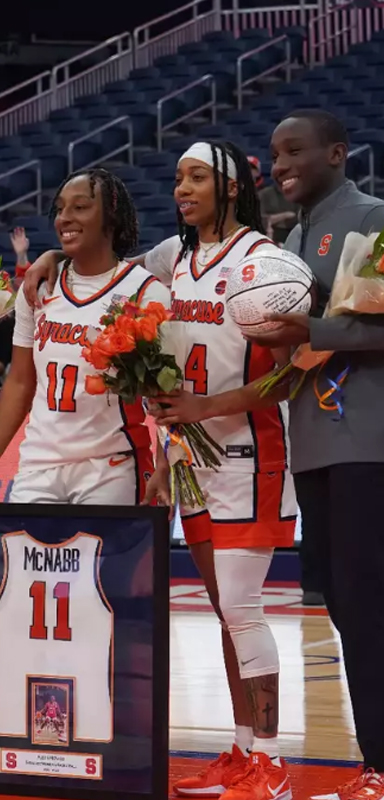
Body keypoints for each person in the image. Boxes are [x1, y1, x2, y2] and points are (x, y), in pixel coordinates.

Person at [136, 142, 296, 800]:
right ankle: (238, 751)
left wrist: (208, 404)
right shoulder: (171, 260)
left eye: (197, 176)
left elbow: (289, 376)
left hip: (249, 454)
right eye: (177, 177)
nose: (183, 188)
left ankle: (272, 761)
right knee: (224, 613)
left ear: (232, 188)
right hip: (189, 460)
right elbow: (119, 288)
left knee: (242, 607)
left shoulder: (266, 264)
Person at [248, 109, 384, 800]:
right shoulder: (292, 236)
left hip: (368, 441)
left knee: (364, 604)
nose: (280, 165)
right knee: (343, 602)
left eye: (294, 150)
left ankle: (380, 766)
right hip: (317, 445)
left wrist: (316, 327)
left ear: (338, 150)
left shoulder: (374, 216)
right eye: (273, 155)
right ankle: (375, 763)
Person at [0, 169, 168, 504]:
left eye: (80, 207)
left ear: (111, 215)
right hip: (38, 463)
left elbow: (166, 394)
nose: (65, 218)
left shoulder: (145, 292)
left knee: (101, 557)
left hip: (111, 465)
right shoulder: (39, 288)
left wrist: (165, 465)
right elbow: (20, 382)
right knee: (24, 556)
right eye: (60, 209)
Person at [250, 155, 299, 245]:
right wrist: (285, 215)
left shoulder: (299, 193)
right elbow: (259, 220)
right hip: (271, 240)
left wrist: (273, 220)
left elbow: (300, 219)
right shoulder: (264, 194)